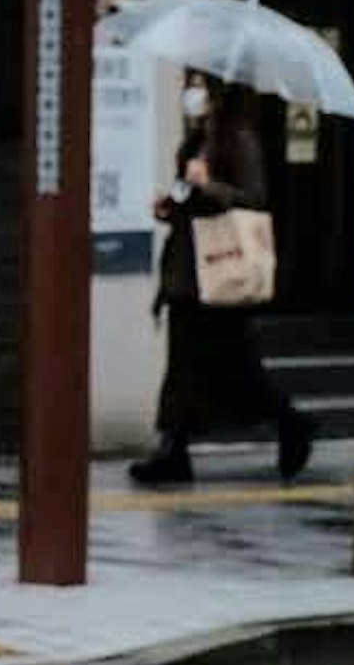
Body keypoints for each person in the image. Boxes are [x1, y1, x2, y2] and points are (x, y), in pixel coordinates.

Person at [130, 74, 315, 487]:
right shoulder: (196, 140)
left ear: (216, 92)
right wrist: (171, 203)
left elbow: (253, 197)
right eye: (189, 84)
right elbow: (188, 200)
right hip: (186, 273)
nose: (191, 94)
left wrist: (208, 184)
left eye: (199, 85)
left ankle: (290, 421)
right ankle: (173, 450)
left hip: (219, 276)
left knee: (236, 369)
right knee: (183, 366)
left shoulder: (239, 139)